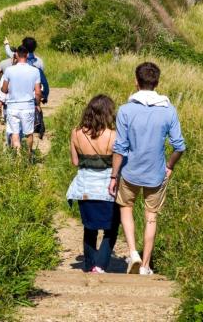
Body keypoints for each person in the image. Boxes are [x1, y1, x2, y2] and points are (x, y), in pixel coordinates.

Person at [109, 62, 186, 275]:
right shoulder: (169, 110)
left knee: (126, 208)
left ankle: (133, 252)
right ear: (157, 82)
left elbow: (120, 148)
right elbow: (180, 146)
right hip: (156, 171)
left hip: (130, 170)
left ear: (136, 81)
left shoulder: (125, 110)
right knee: (151, 215)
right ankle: (145, 265)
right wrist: (169, 166)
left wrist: (114, 175)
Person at [67, 95, 120, 273]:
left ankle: (90, 265)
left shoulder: (76, 133)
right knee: (111, 228)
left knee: (89, 227)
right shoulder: (113, 135)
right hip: (107, 188)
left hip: (85, 187)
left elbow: (75, 162)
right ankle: (100, 264)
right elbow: (118, 163)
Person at [0, 46, 42, 156]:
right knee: (29, 133)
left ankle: (18, 156)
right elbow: (38, 92)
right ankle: (29, 154)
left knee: (15, 133)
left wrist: (4, 89)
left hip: (12, 107)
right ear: (27, 55)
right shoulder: (35, 71)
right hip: (28, 106)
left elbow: (4, 89)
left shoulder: (9, 70)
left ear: (16, 55)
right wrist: (38, 104)